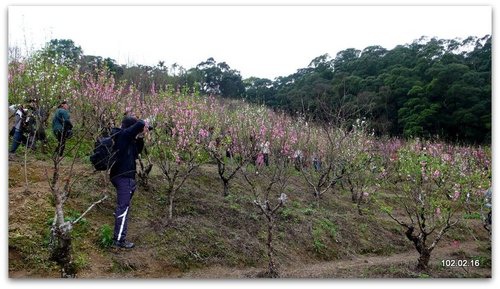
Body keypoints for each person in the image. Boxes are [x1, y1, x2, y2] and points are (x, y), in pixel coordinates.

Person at [110, 116, 148, 249]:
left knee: (123, 207)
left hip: (128, 178)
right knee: (123, 207)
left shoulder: (129, 141)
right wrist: (144, 123)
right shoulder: (122, 135)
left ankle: (119, 231)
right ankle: (119, 240)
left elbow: (137, 152)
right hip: (122, 176)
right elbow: (137, 126)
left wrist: (141, 136)